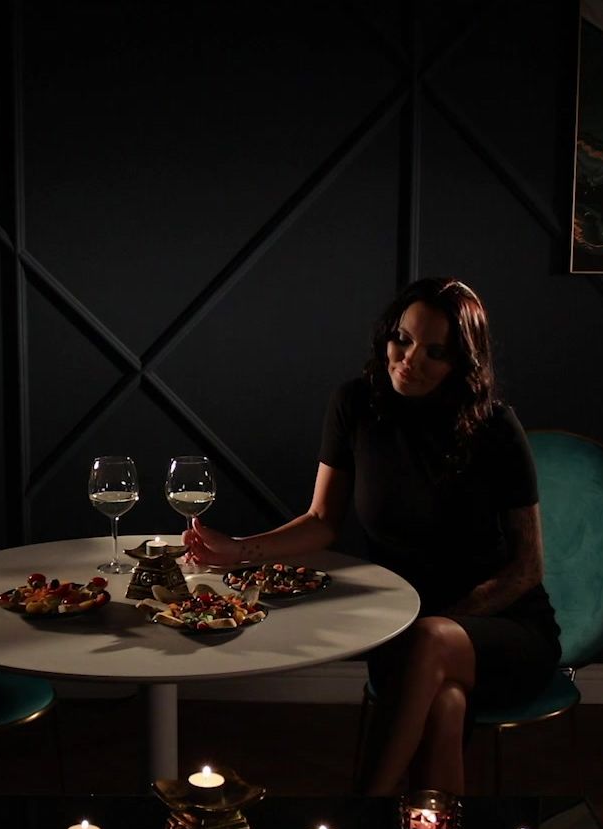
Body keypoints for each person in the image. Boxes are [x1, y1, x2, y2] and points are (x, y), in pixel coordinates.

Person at [183, 277, 559, 796]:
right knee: (446, 703)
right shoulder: (355, 404)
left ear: (461, 362)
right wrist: (237, 550)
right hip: (401, 625)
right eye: (402, 339)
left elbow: (527, 568)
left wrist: (446, 619)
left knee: (432, 641)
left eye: (434, 352)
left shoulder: (495, 427)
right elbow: (322, 520)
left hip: (502, 628)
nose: (409, 359)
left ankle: (361, 809)